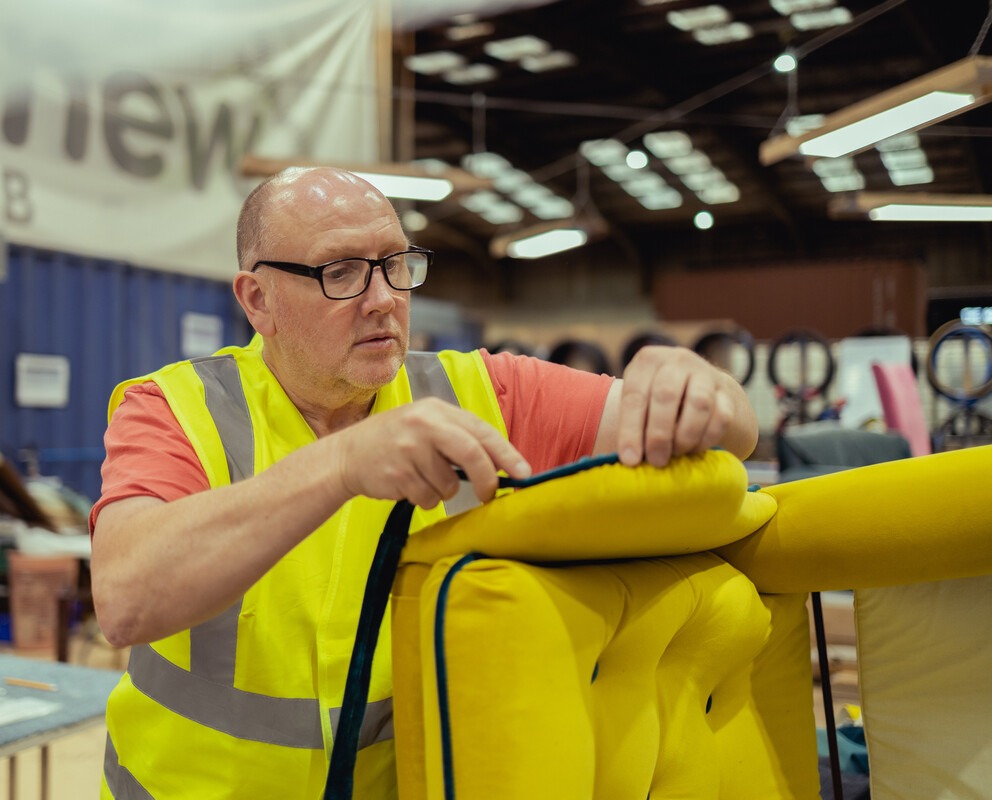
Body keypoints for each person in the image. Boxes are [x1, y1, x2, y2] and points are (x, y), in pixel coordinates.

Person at [90, 168, 758, 798]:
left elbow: (731, 432)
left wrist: (699, 385)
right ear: (257, 299)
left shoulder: (478, 391)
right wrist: (345, 463)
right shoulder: (176, 408)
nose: (383, 298)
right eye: (341, 272)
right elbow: (124, 599)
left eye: (394, 264)